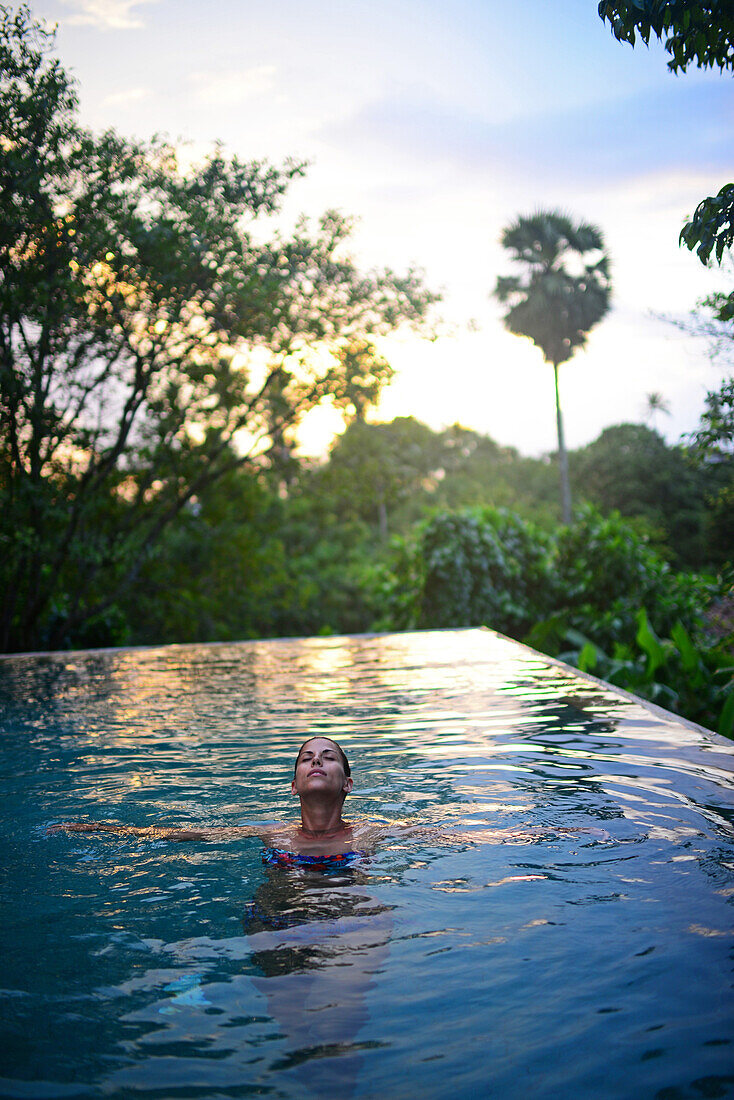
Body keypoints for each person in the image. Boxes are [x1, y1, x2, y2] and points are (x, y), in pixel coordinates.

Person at [53, 736, 382, 862]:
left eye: (328, 757)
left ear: (348, 783)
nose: (316, 761)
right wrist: (96, 828)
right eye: (306, 757)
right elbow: (180, 834)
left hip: (348, 915)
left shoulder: (369, 832)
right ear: (293, 786)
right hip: (281, 918)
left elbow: (432, 834)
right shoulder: (271, 833)